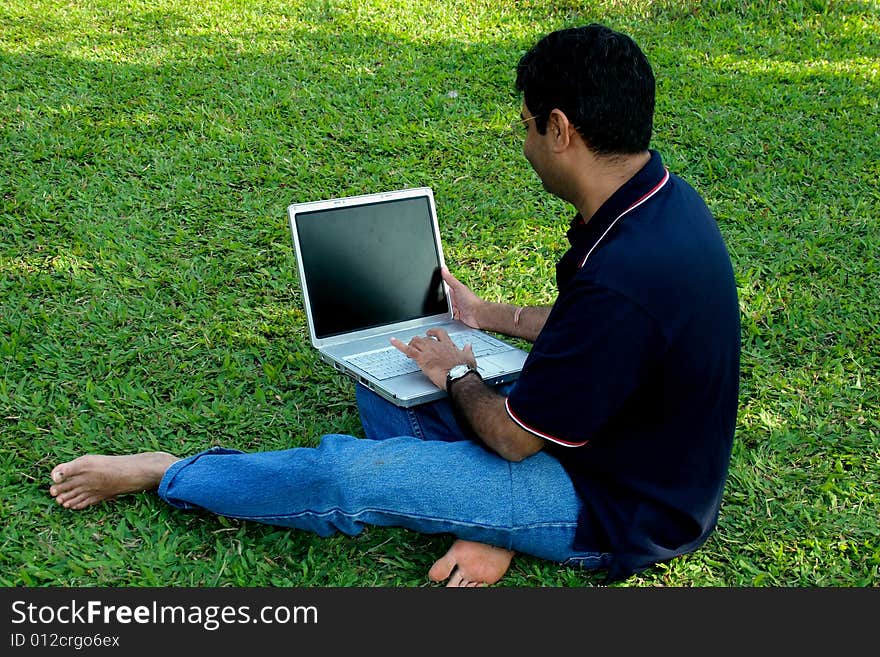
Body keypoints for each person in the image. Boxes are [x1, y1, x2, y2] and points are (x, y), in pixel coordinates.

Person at [49, 23, 740, 586]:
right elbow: (587, 326)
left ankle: (170, 471)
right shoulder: (655, 203)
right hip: (603, 432)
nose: (523, 138)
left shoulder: (624, 274)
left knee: (345, 473)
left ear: (560, 129)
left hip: (610, 505)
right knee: (388, 380)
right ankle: (486, 516)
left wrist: (458, 372)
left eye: (527, 123)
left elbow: (509, 438)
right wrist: (483, 317)